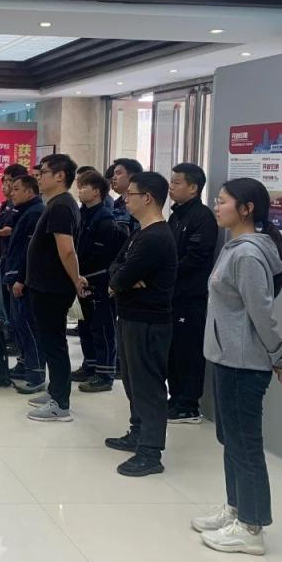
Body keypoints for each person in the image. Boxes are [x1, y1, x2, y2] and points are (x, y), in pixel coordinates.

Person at [193, 178, 282, 556]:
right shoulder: (235, 246)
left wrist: (279, 356)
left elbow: (261, 313)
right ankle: (236, 508)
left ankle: (252, 528)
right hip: (226, 357)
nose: (216, 206)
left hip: (243, 364)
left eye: (223, 201)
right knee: (231, 440)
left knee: (245, 444)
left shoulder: (249, 255)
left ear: (246, 209)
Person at [105, 171, 178, 477]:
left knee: (148, 386)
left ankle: (150, 451)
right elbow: (115, 268)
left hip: (149, 321)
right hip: (130, 316)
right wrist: (121, 279)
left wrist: (121, 280)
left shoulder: (157, 237)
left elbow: (121, 277)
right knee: (133, 382)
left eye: (130, 194)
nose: (125, 199)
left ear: (147, 198)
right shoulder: (140, 232)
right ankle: (137, 432)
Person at [25, 153, 84, 423]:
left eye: (44, 172)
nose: (39, 177)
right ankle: (55, 391)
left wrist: (76, 280)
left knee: (54, 344)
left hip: (52, 288)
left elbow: (67, 250)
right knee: (50, 343)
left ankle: (60, 404)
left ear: (60, 176)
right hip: (44, 285)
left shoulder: (61, 206)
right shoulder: (57, 204)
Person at [167, 162, 219, 424]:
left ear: (193, 188)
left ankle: (189, 406)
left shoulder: (202, 217)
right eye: (171, 181)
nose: (171, 187)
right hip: (172, 294)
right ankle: (175, 398)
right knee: (173, 350)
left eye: (176, 183)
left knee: (188, 351)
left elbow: (196, 258)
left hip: (191, 297)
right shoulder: (175, 216)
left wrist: (165, 271)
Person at [73, 169, 127, 392]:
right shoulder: (82, 214)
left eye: (84, 186)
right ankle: (90, 365)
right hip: (82, 278)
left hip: (98, 280)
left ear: (96, 191)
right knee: (85, 325)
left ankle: (105, 374)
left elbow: (103, 255)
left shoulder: (105, 219)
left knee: (102, 327)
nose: (79, 190)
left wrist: (85, 274)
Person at [4, 175, 46, 394]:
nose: (12, 193)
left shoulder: (35, 213)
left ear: (29, 192)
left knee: (29, 327)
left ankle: (36, 374)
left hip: (26, 280)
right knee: (18, 324)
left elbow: (29, 251)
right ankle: (24, 364)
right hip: (15, 276)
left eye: (16, 189)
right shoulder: (24, 212)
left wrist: (20, 278)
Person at [0, 164, 27, 336]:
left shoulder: (24, 206)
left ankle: (10, 329)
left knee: (7, 295)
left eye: (10, 181)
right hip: (1, 252)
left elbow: (13, 229)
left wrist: (1, 232)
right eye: (4, 180)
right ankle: (4, 324)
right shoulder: (6, 204)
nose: (6, 185)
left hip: (12, 256)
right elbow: (0, 224)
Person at [111, 158, 144, 235]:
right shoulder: (116, 203)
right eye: (114, 174)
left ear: (132, 177)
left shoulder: (138, 205)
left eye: (118, 173)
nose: (114, 178)